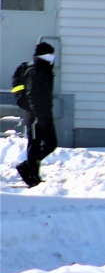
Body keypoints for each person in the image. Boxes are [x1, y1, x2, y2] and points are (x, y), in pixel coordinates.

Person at [16, 42, 58, 187]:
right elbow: (32, 95)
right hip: (35, 116)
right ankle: (32, 175)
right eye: (50, 54)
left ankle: (27, 166)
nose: (52, 57)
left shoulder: (46, 69)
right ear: (43, 55)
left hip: (45, 114)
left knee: (51, 144)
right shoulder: (34, 71)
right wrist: (38, 116)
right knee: (34, 145)